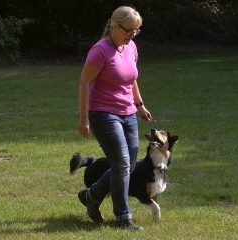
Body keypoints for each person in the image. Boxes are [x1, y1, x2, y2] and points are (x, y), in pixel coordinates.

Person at [77, 6, 151, 231]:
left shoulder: (131, 48)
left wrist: (139, 104)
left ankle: (91, 196)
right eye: (129, 31)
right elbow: (85, 84)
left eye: (136, 31)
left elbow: (131, 78)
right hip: (103, 114)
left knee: (127, 165)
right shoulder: (100, 51)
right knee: (121, 163)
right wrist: (84, 118)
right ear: (114, 26)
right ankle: (123, 217)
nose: (132, 35)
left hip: (128, 113)